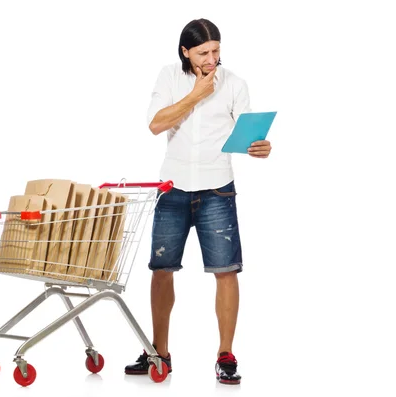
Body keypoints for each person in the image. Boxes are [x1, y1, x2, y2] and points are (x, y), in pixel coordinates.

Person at [124, 18, 272, 385]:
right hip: (173, 188)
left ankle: (226, 354)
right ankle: (159, 352)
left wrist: (260, 148)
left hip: (217, 188)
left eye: (217, 50)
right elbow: (155, 124)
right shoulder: (168, 77)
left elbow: (246, 134)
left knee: (226, 271)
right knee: (161, 270)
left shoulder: (235, 84)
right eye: (204, 52)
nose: (212, 58)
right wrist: (196, 95)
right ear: (185, 51)